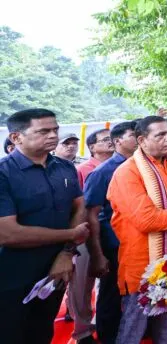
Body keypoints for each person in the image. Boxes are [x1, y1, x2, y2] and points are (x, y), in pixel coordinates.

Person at [107, 116, 167, 344]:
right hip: (142, 263)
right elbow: (147, 220)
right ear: (141, 140)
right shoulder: (126, 172)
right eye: (160, 135)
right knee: (134, 327)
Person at [0, 108, 90, 344]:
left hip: (56, 268)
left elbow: (79, 208)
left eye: (55, 130)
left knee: (42, 331)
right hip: (11, 273)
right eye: (43, 131)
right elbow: (8, 234)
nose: (53, 136)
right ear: (16, 138)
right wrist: (71, 234)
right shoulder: (3, 174)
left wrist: (67, 252)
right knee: (9, 332)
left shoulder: (65, 167)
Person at [83, 120, 139, 344]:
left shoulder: (143, 165)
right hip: (114, 243)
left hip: (138, 242)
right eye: (134, 135)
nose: (139, 138)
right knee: (111, 295)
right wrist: (98, 253)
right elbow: (92, 214)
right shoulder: (103, 172)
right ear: (118, 142)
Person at [68, 127, 114, 342]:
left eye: (111, 138)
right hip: (86, 232)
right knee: (82, 284)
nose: (110, 142)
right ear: (92, 147)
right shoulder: (85, 169)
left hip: (109, 232)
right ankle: (82, 330)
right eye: (104, 140)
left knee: (105, 281)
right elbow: (79, 205)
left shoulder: (121, 166)